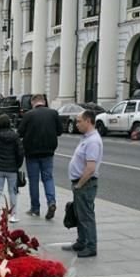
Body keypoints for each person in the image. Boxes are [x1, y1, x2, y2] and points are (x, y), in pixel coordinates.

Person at [63, 110, 103, 258]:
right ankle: (81, 242)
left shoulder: (93, 141)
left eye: (79, 121)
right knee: (80, 214)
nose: (77, 124)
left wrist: (80, 184)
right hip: (81, 183)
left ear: (88, 121)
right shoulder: (87, 138)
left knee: (86, 216)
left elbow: (91, 168)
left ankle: (91, 246)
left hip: (85, 184)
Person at [18, 94, 63, 220]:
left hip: (31, 153)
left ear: (33, 103)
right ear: (44, 102)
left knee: (34, 181)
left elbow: (20, 132)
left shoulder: (29, 115)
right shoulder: (53, 113)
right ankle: (51, 202)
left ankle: (35, 208)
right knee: (48, 178)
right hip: (48, 152)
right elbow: (60, 131)